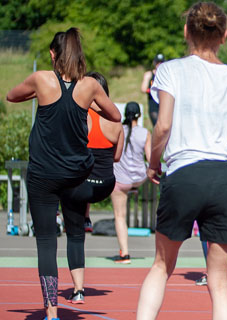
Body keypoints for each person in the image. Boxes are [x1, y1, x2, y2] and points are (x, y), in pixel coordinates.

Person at [136, 3, 227, 319]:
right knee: (220, 284)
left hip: (184, 172)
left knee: (161, 267)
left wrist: (153, 163)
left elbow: (163, 125)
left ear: (187, 30)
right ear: (224, 35)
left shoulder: (170, 70)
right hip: (222, 178)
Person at [6, 27, 121, 320]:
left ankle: (51, 312)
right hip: (75, 175)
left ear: (52, 54)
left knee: (46, 242)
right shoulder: (89, 86)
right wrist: (88, 104)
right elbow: (116, 116)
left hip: (43, 174)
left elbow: (11, 95)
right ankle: (78, 284)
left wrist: (39, 95)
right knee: (74, 231)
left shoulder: (41, 79)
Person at [63, 71, 124, 304]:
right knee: (84, 178)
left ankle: (78, 290)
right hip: (105, 184)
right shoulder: (116, 122)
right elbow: (116, 158)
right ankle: (86, 215)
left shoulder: (77, 118)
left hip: (81, 186)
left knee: (75, 236)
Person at [110, 101, 151, 264]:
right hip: (139, 178)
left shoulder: (118, 130)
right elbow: (149, 157)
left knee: (120, 216)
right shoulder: (145, 133)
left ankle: (125, 254)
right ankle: (135, 190)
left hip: (120, 181)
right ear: (139, 115)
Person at [141, 53, 165, 126]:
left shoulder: (166, 74)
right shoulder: (149, 74)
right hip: (153, 103)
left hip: (164, 103)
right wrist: (154, 90)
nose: (159, 64)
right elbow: (143, 89)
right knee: (156, 125)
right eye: (158, 62)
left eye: (161, 62)